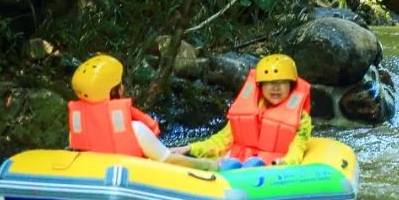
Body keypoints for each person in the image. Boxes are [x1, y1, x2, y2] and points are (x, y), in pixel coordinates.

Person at [68, 54, 216, 170]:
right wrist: (207, 165)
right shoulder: (136, 130)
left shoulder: (77, 129)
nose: (123, 87)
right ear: (116, 91)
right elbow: (169, 161)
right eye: (120, 84)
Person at [171, 53, 312, 169]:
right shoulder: (245, 112)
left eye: (281, 82)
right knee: (229, 163)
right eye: (269, 83)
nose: (275, 88)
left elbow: (297, 149)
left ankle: (210, 166)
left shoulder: (301, 118)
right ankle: (190, 161)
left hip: (269, 167)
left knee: (249, 165)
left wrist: (285, 163)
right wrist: (190, 148)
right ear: (260, 87)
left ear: (291, 86)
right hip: (235, 162)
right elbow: (220, 141)